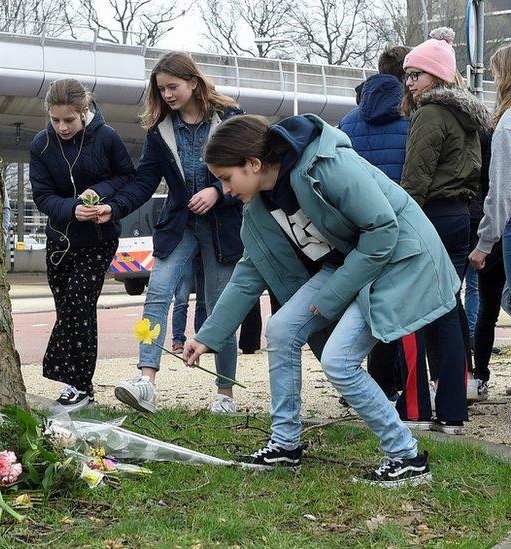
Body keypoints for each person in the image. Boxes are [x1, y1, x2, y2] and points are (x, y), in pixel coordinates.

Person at [182, 114, 460, 486]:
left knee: (339, 361)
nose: (226, 190)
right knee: (281, 329)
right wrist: (207, 335)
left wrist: (332, 295)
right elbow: (250, 271)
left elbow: (382, 230)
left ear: (253, 164)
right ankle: (285, 445)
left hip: (394, 260)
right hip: (352, 264)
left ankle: (406, 456)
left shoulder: (327, 166)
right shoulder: (259, 206)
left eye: (227, 178)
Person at [94, 51, 245, 414]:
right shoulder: (159, 131)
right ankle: (146, 382)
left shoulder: (231, 118)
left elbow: (246, 168)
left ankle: (225, 394)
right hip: (179, 226)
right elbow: (145, 180)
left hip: (223, 227)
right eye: (161, 90)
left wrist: (218, 191)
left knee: (221, 305)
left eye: (173, 87)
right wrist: (114, 207)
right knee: (158, 294)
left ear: (194, 82)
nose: (168, 95)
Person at [399, 27, 488, 432]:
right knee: (448, 309)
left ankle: (415, 407)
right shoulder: (467, 114)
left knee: (416, 309)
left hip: (430, 216)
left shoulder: (431, 113)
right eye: (407, 75)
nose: (410, 83)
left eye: (416, 74)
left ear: (436, 75)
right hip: (458, 218)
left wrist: (401, 225)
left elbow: (415, 179)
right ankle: (453, 408)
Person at [29, 78, 136, 411]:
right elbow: (43, 196)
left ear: (85, 111)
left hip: (99, 238)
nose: (62, 127)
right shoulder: (41, 145)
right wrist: (72, 208)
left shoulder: (107, 138)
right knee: (68, 309)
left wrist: (99, 197)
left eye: (69, 120)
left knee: (79, 301)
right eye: (56, 120)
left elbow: (126, 176)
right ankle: (78, 387)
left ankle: (79, 385)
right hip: (60, 241)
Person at [338, 45, 412, 400]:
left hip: (359, 227)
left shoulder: (349, 122)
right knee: (404, 303)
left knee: (369, 304)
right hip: (401, 221)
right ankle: (404, 382)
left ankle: (373, 380)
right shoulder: (412, 118)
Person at [468, 44, 511, 401]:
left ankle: (479, 375)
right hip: (500, 223)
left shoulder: (502, 125)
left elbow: (499, 191)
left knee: (489, 304)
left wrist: (484, 241)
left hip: (501, 225)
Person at [170, 255, 205, 353]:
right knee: (182, 302)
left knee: (201, 302)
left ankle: (199, 340)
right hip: (190, 255)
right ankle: (178, 341)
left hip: (198, 254)